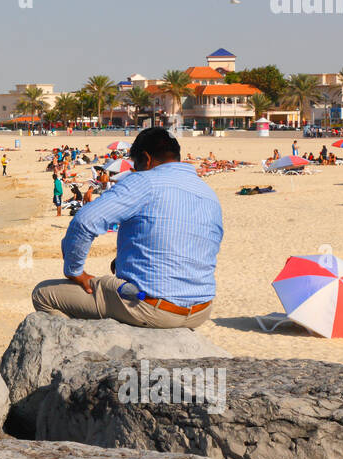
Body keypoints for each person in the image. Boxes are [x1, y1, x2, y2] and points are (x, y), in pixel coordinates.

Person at [31, 127, 222, 329]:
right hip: (200, 310)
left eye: (136, 164)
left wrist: (74, 270)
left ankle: (85, 348)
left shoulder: (145, 181)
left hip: (152, 308)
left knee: (44, 294)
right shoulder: (206, 192)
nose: (135, 169)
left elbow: (84, 222)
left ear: (146, 159)